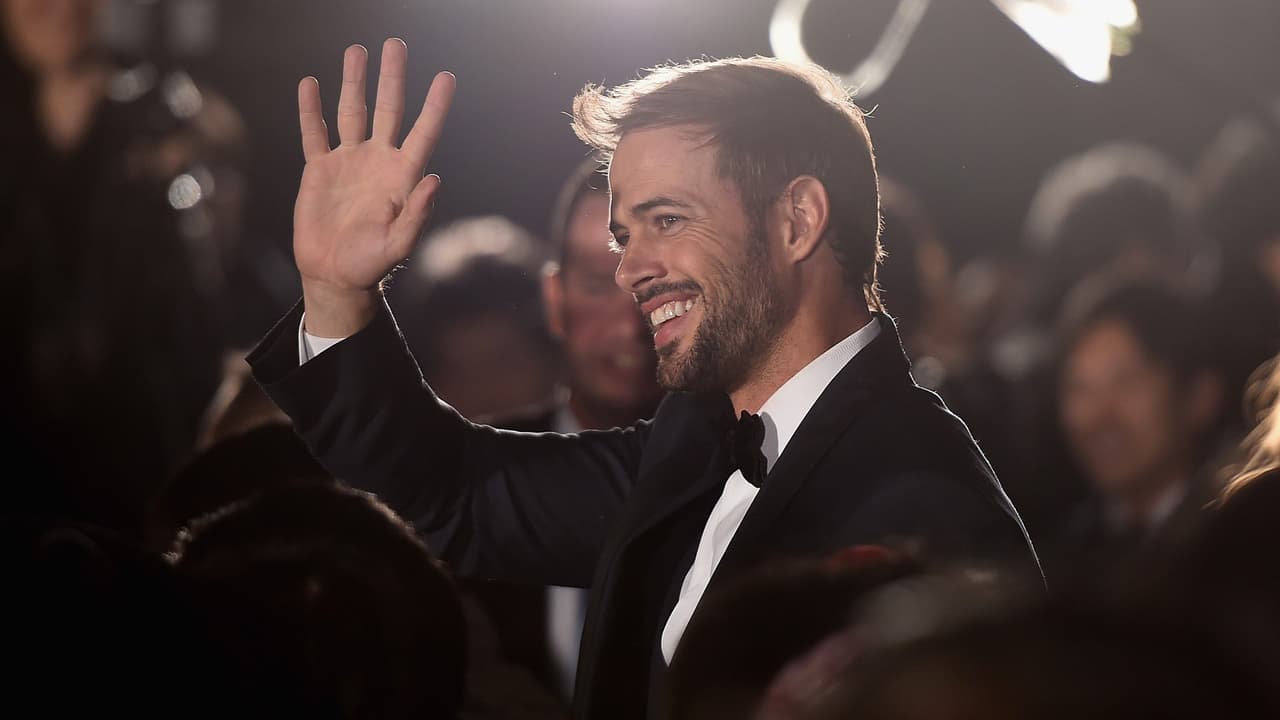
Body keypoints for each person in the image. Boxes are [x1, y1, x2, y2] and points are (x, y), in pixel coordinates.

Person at [247, 39, 1040, 717]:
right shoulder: (693, 446)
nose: (630, 272)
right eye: (625, 236)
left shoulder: (925, 505)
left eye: (667, 221)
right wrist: (337, 292)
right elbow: (457, 495)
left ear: (797, 220)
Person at [1047, 279, 1227, 579]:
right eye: (1080, 388)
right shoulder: (1065, 548)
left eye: (1128, 382)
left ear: (1200, 397)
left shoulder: (1243, 539)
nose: (1100, 418)